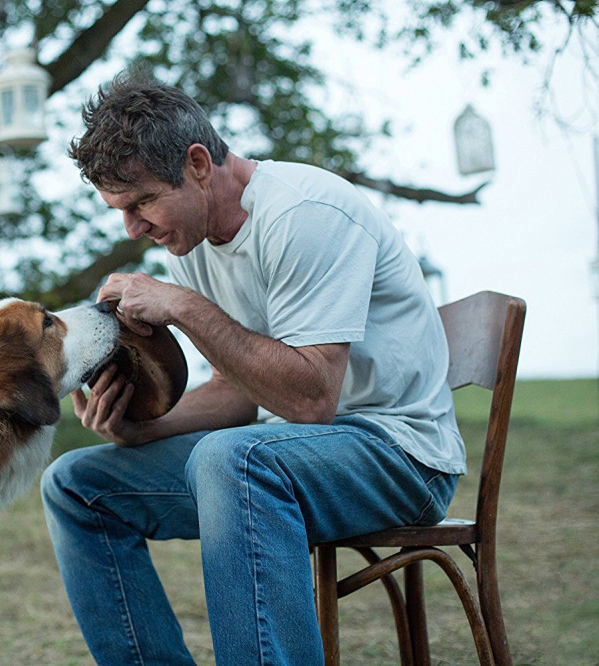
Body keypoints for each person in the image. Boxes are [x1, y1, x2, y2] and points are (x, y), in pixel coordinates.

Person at [40, 73, 465, 665]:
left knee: (232, 458)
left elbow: (313, 400)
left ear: (196, 164)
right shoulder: (189, 246)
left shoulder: (303, 213)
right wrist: (143, 429)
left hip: (399, 457)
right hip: (276, 460)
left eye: (141, 203)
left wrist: (184, 307)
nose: (133, 228)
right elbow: (239, 392)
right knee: (76, 485)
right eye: (120, 209)